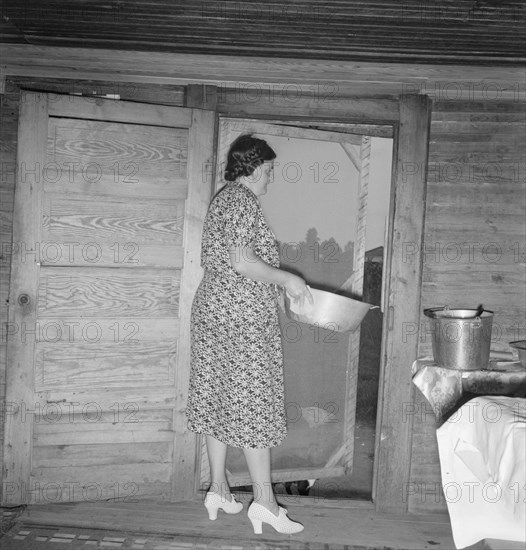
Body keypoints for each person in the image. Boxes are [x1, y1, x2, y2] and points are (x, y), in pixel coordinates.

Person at [185, 134, 312, 535]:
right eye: (270, 171)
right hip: (241, 318)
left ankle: (219, 489)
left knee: (217, 398)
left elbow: (232, 260)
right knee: (255, 404)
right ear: (255, 168)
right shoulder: (243, 200)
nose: (271, 179)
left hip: (213, 310)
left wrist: (273, 286)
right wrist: (288, 279)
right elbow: (242, 260)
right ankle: (265, 502)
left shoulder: (222, 199)